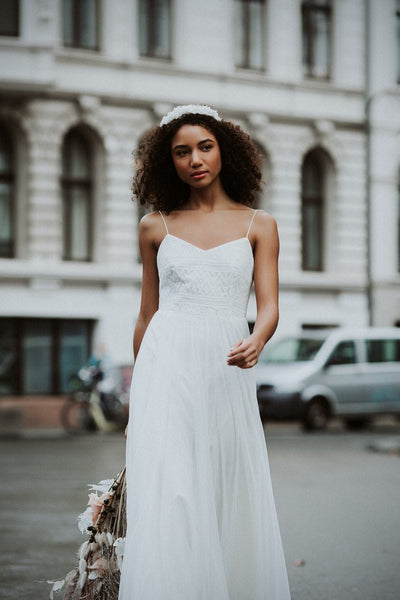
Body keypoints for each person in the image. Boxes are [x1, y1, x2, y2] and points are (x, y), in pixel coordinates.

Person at [118, 104, 291, 599]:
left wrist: (258, 339)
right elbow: (147, 314)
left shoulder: (260, 224)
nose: (194, 159)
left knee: (223, 485)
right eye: (181, 152)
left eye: (205, 147)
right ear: (166, 162)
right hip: (165, 367)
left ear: (225, 151)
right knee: (173, 491)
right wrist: (136, 395)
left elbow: (270, 304)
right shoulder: (155, 226)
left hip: (224, 369)